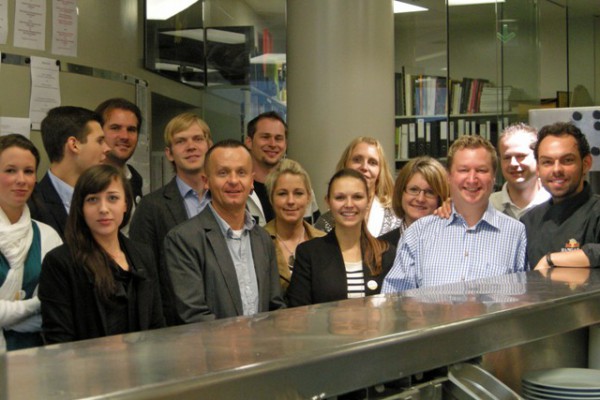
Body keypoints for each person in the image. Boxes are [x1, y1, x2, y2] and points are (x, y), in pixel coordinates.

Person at [382, 135, 527, 292]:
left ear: (493, 177)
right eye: (463, 170)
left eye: (481, 170)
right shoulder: (418, 233)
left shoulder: (516, 234)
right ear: (449, 177)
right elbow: (395, 301)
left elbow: (524, 305)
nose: (472, 179)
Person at [39, 165, 165, 344]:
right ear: (80, 207)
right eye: (92, 200)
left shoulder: (143, 255)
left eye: (112, 198)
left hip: (141, 367)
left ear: (125, 204)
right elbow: (58, 339)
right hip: (87, 368)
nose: (103, 208)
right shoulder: (60, 262)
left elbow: (156, 325)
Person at [164, 140, 286, 322]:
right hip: (211, 349)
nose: (234, 181)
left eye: (241, 172)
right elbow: (193, 315)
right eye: (223, 173)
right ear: (206, 181)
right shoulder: (183, 239)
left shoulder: (263, 238)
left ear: (251, 181)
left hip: (263, 348)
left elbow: (275, 306)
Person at [129, 113, 212, 325]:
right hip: (176, 325)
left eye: (197, 139)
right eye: (181, 141)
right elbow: (146, 277)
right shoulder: (151, 207)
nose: (191, 146)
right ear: (169, 153)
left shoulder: (228, 200)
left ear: (209, 146)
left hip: (227, 319)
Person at [287, 169, 396, 306]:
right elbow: (298, 314)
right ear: (328, 202)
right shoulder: (309, 254)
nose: (349, 205)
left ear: (368, 201)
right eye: (340, 197)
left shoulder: (387, 253)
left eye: (357, 197)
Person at [0, 134, 62, 351]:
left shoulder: (47, 236)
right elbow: (42, 305)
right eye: (10, 170)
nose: (21, 180)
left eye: (28, 171)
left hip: (34, 358)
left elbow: (56, 309)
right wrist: (34, 305)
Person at [521, 122, 600, 269]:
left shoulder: (596, 212)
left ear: (586, 163)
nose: (557, 169)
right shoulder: (529, 221)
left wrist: (550, 260)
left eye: (567, 160)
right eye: (547, 162)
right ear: (538, 169)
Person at [28, 106, 110, 239]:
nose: (107, 148)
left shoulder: (105, 199)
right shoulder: (30, 207)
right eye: (100, 141)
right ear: (74, 145)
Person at [244, 111, 320, 225]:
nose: (273, 144)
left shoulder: (302, 187)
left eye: (278, 138)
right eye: (265, 137)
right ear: (249, 142)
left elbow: (316, 231)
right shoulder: (239, 188)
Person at [315, 136, 401, 236]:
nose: (364, 167)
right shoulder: (326, 222)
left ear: (380, 171)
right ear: (345, 164)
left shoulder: (396, 218)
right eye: (357, 160)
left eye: (372, 162)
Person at [263, 159, 325, 293]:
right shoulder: (258, 241)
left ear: (308, 197)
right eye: (282, 193)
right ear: (271, 198)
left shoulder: (324, 241)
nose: (291, 201)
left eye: (298, 193)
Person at [379, 156, 450, 247]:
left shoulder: (450, 243)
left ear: (440, 199)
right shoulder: (380, 247)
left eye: (430, 192)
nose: (420, 199)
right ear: (401, 193)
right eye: (413, 190)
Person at [489, 123, 550, 219]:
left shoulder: (555, 203)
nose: (513, 163)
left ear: (538, 158)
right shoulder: (488, 206)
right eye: (507, 157)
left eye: (521, 156)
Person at [95, 98, 144, 203]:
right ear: (99, 132)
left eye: (131, 130)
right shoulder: (85, 179)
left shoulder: (135, 178)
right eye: (115, 128)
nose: (124, 136)